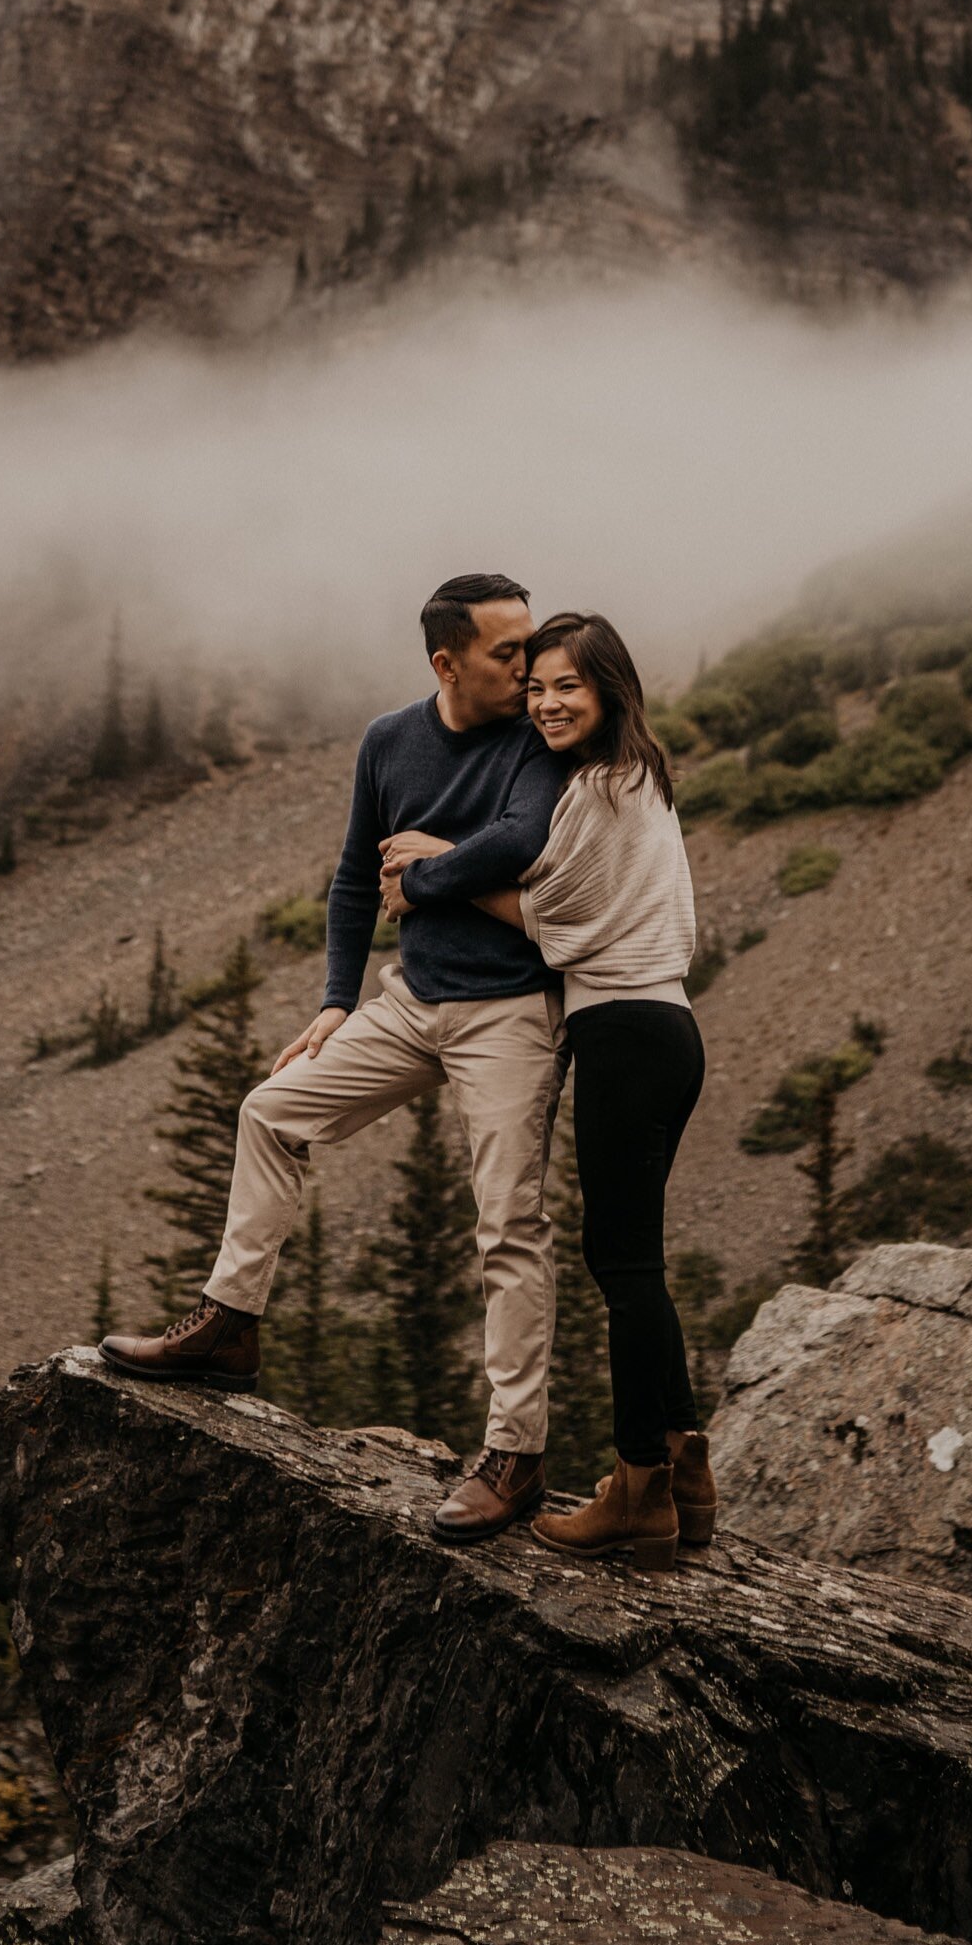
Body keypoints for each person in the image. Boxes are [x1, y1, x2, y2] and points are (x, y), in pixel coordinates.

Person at [101, 571, 570, 1545]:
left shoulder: (535, 739)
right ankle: (230, 1325)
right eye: (507, 651)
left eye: (529, 645)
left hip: (511, 1013)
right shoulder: (388, 739)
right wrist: (333, 1001)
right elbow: (357, 876)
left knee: (508, 1224)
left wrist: (430, 865)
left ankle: (514, 1454)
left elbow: (521, 839)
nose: (530, 666)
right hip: (413, 1001)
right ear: (446, 662)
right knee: (270, 1110)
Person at [383, 610, 711, 1570]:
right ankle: (688, 1475)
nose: (547, 701)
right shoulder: (632, 780)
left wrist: (427, 873)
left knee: (623, 1267)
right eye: (536, 687)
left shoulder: (607, 787)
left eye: (568, 684)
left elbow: (549, 911)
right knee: (634, 1261)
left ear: (610, 688)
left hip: (624, 1031)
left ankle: (636, 1489)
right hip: (661, 1031)